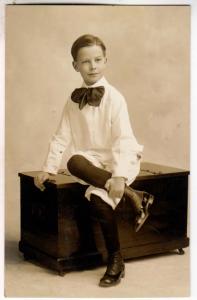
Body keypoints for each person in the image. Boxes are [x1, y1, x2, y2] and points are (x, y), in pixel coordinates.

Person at [34, 34, 154, 287]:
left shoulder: (115, 98)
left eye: (98, 60)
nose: (93, 66)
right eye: (86, 62)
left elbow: (122, 140)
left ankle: (116, 260)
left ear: (106, 61)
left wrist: (120, 175)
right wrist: (47, 168)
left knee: (99, 201)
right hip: (92, 163)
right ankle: (135, 196)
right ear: (75, 66)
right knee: (74, 162)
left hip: (120, 158)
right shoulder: (73, 98)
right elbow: (61, 135)